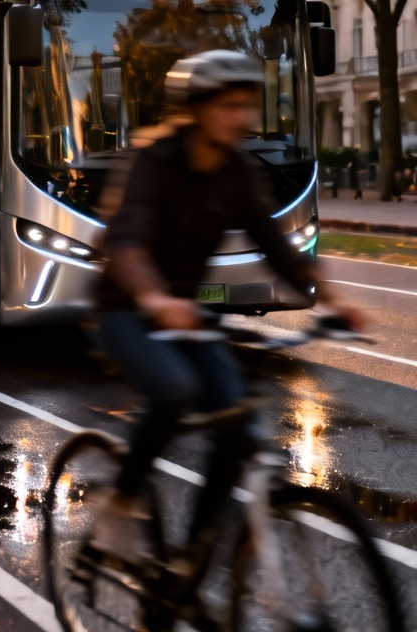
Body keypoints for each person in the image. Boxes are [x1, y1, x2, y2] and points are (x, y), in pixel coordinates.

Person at [92, 50, 362, 557]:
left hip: (188, 312)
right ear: (196, 108)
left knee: (236, 423)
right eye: (228, 106)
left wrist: (332, 298)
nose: (242, 117)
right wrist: (153, 297)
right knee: (174, 389)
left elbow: (272, 240)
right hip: (126, 308)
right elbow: (125, 241)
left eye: (246, 105)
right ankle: (120, 499)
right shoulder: (154, 162)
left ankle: (191, 556)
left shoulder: (235, 169)